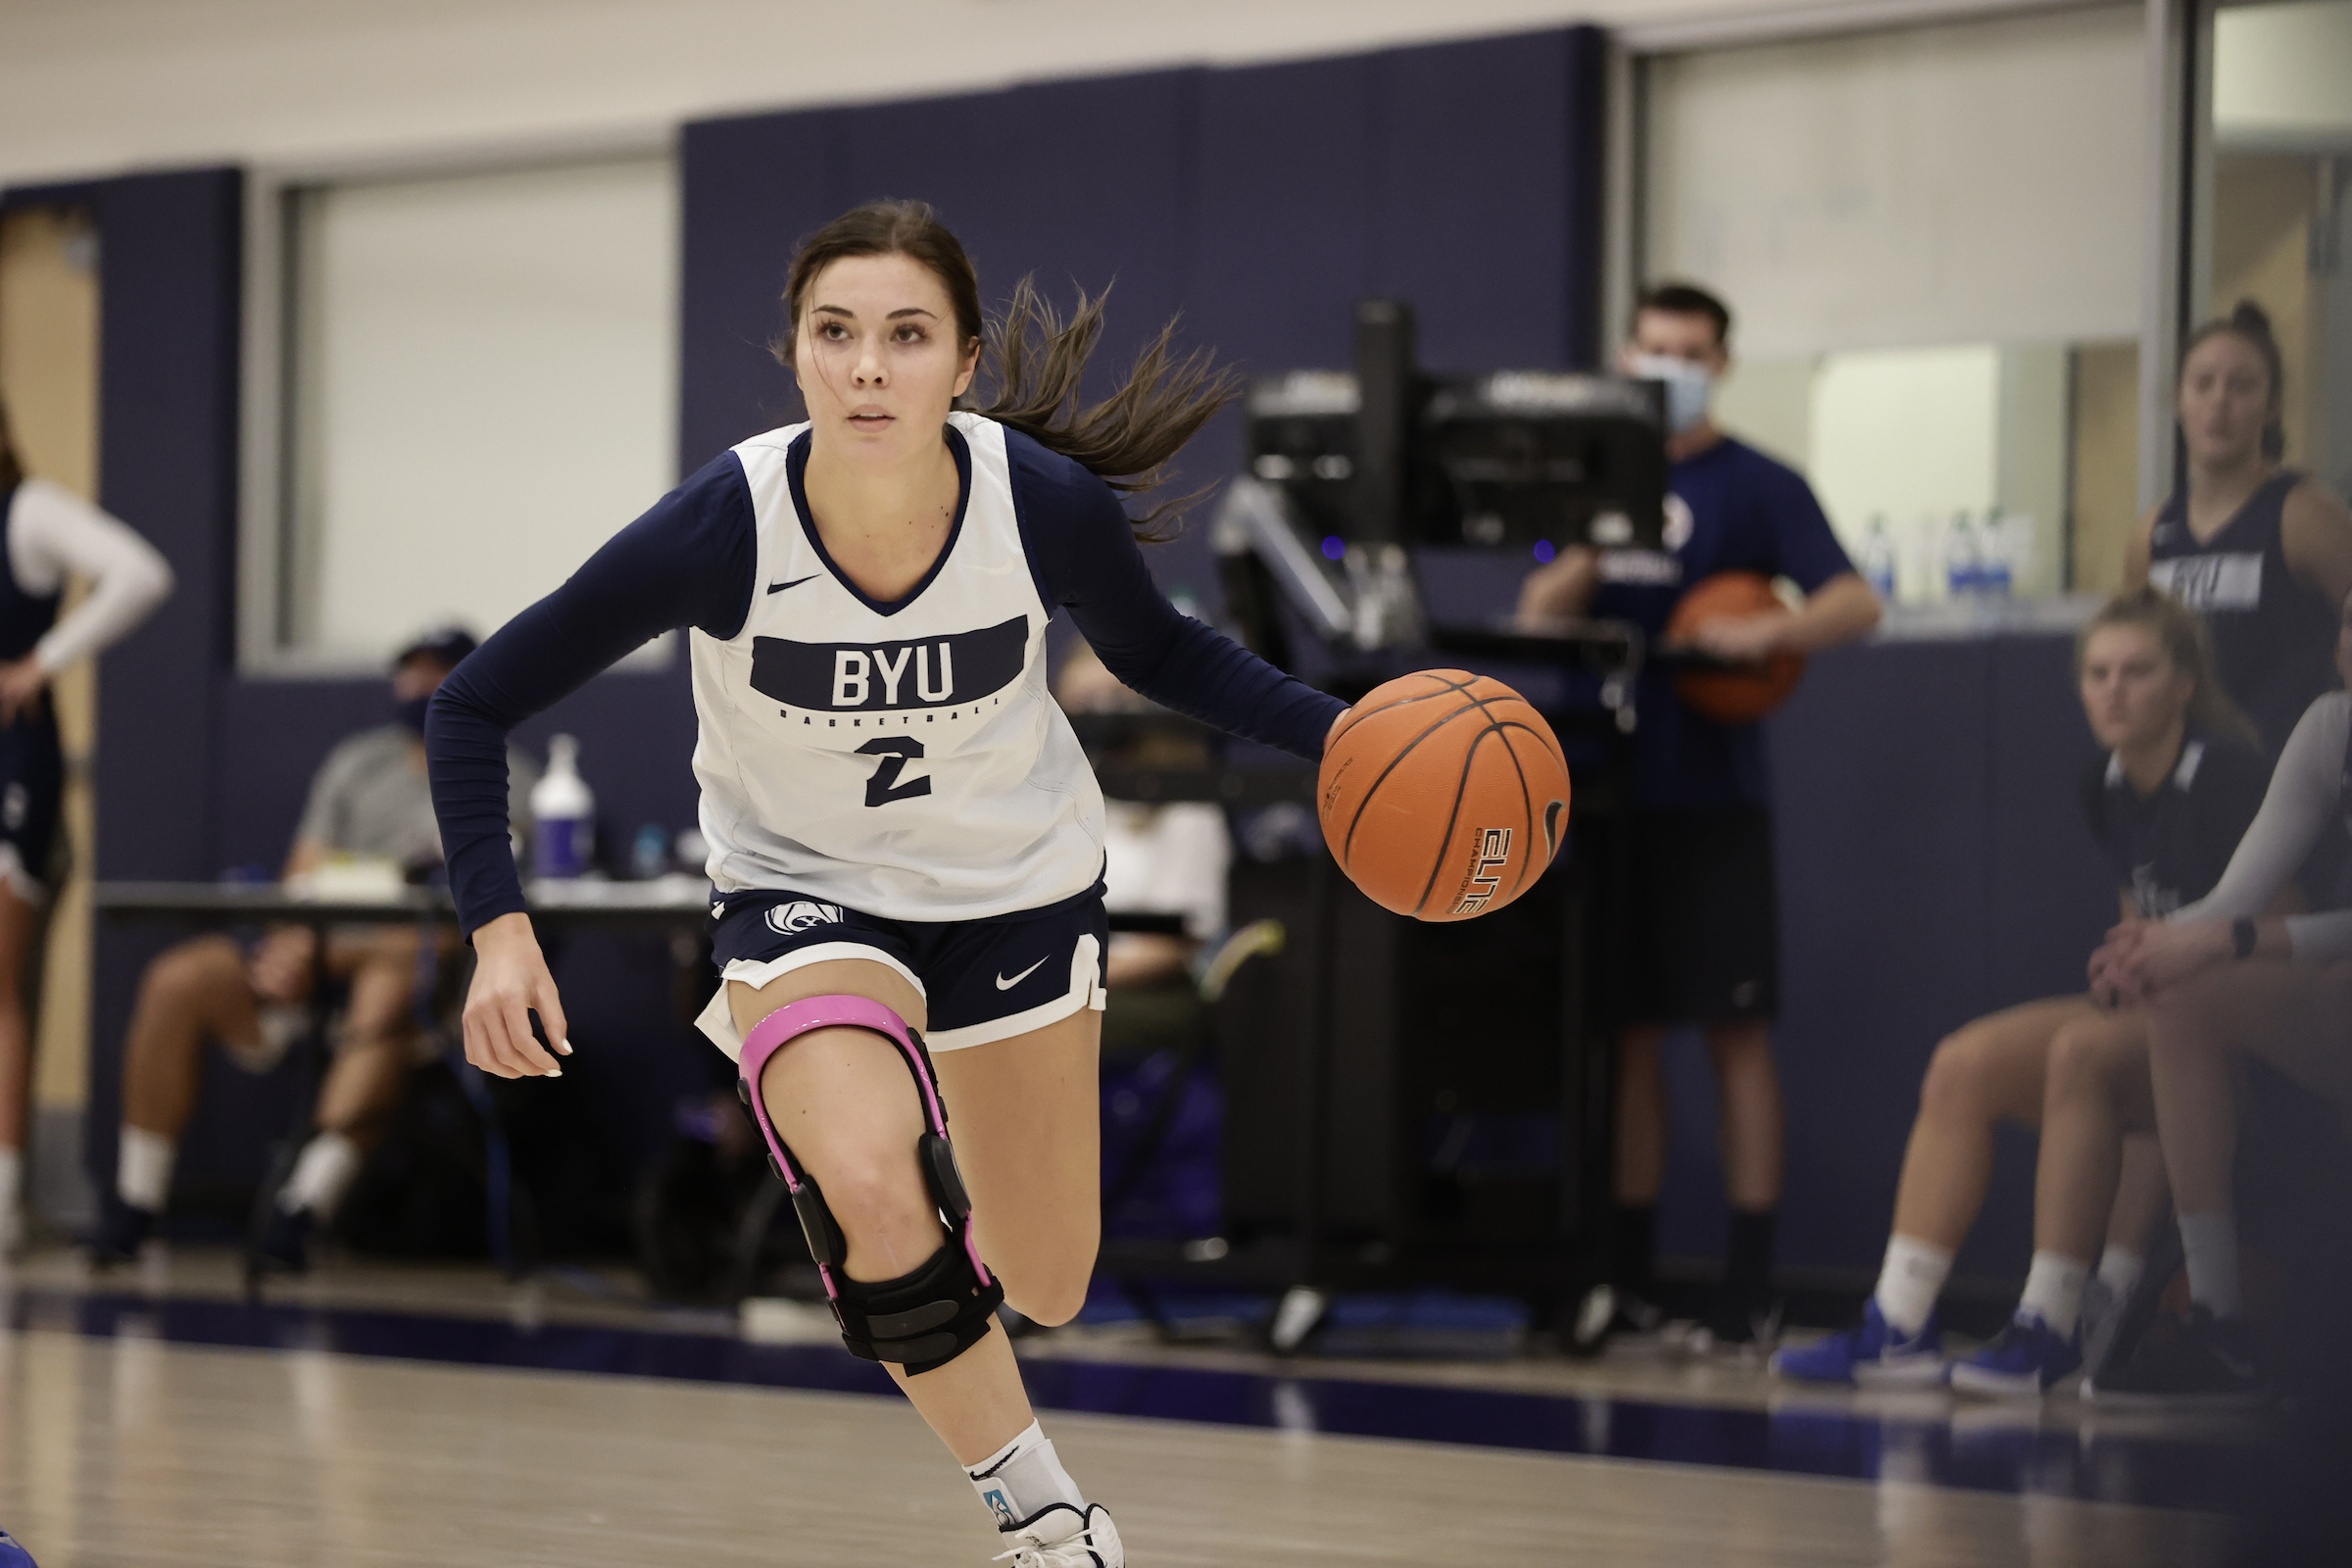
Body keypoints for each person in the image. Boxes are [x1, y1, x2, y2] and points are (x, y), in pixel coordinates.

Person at [424, 201, 1348, 1568]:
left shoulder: (1038, 501)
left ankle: (920, 1194)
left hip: (1016, 891)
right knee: (864, 1173)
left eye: (906, 336)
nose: (868, 367)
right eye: (836, 334)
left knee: (1049, 1277)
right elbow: (471, 703)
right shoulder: (721, 527)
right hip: (808, 897)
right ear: (796, 355)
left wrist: (1347, 737)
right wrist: (499, 933)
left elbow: (1162, 657)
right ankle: (1044, 1519)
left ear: (963, 363)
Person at [1772, 589, 2272, 1395]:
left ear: (2184, 683)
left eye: (2137, 672)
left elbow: (2279, 939)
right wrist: (2132, 972)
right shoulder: (2106, 783)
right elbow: (2138, 917)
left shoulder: (2227, 774)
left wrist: (2168, 974)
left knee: (2082, 1051)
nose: (2113, 690)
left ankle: (2054, 1321)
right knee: (1962, 1063)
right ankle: (1898, 1323)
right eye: (2098, 673)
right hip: (2167, 1018)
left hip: (2251, 1034)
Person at [1516, 281, 1883, 1347]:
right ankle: (1625, 1277)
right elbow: (1538, 610)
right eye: (1652, 351)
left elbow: (1857, 600)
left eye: (1689, 353)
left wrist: (1769, 634)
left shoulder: (1760, 483)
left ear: (1719, 365)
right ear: (1626, 359)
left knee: (1734, 1031)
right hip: (1605, 794)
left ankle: (1748, 1284)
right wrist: (1594, 530)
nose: (1668, 368)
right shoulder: (1588, 479)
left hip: (1715, 796)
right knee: (1625, 1039)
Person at [88, 629, 536, 1270]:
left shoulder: (509, 772)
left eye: (438, 671)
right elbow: (301, 878)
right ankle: (136, 1203)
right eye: (409, 673)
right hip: (317, 952)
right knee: (177, 979)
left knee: (394, 972)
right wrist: (291, 945)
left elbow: (491, 900)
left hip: (426, 976)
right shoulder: (358, 763)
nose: (419, 687)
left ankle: (301, 1210)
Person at [2086, 585, 2352, 1403]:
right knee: (2181, 995)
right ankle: (2219, 1318)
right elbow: (2233, 901)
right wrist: (2148, 945)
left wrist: (2224, 940)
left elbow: (2241, 931)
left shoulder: (2217, 766)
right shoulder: (2329, 727)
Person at [0, 401, 174, 1253]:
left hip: (11, 770)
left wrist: (46, 661)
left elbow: (140, 573)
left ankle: (1, 1195)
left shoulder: (26, 511)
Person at [2127, 301, 2352, 760]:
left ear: (2272, 406)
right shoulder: (2151, 535)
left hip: (2290, 783)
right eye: (2203, 384)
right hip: (2191, 788)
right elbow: (2135, 665)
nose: (2219, 402)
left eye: (2242, 386)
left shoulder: (2306, 517)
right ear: (2178, 400)